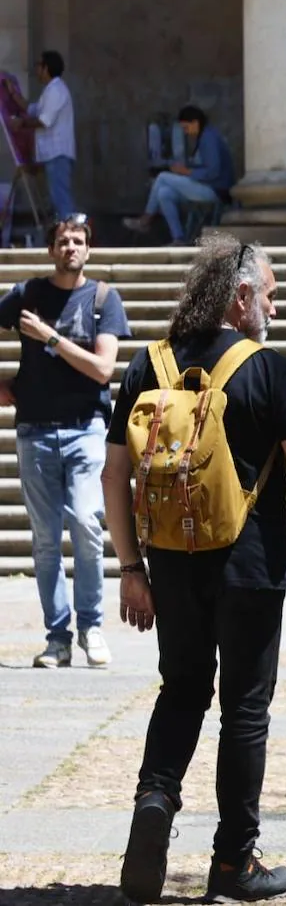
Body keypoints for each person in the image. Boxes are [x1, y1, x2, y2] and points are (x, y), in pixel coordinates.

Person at [104, 233, 286, 904]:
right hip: (250, 565)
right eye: (272, 296)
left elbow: (115, 473)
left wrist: (130, 566)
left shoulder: (151, 364)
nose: (275, 311)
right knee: (245, 709)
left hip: (171, 561)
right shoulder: (271, 369)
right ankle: (233, 862)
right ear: (241, 297)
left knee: (182, 688)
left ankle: (154, 802)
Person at [0, 214, 130, 668]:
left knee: (89, 526)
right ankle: (57, 637)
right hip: (34, 428)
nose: (70, 247)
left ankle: (91, 627)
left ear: (88, 251)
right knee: (45, 540)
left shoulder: (103, 299)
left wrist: (51, 337)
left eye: (77, 241)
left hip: (87, 428)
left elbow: (102, 369)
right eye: (62, 240)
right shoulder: (27, 295)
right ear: (51, 249)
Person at [122, 105, 235, 246]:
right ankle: (178, 237)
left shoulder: (209, 137)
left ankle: (146, 220)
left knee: (163, 177)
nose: (186, 133)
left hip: (216, 191)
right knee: (164, 193)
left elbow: (213, 171)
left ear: (195, 122)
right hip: (205, 187)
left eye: (186, 128)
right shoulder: (204, 137)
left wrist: (186, 172)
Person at [4, 50, 77, 219]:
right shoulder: (50, 91)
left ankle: (73, 236)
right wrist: (13, 93)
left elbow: (43, 121)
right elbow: (31, 109)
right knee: (57, 199)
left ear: (46, 68)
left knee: (62, 201)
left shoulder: (57, 90)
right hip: (52, 155)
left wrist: (21, 123)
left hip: (58, 154)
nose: (36, 70)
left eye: (38, 66)